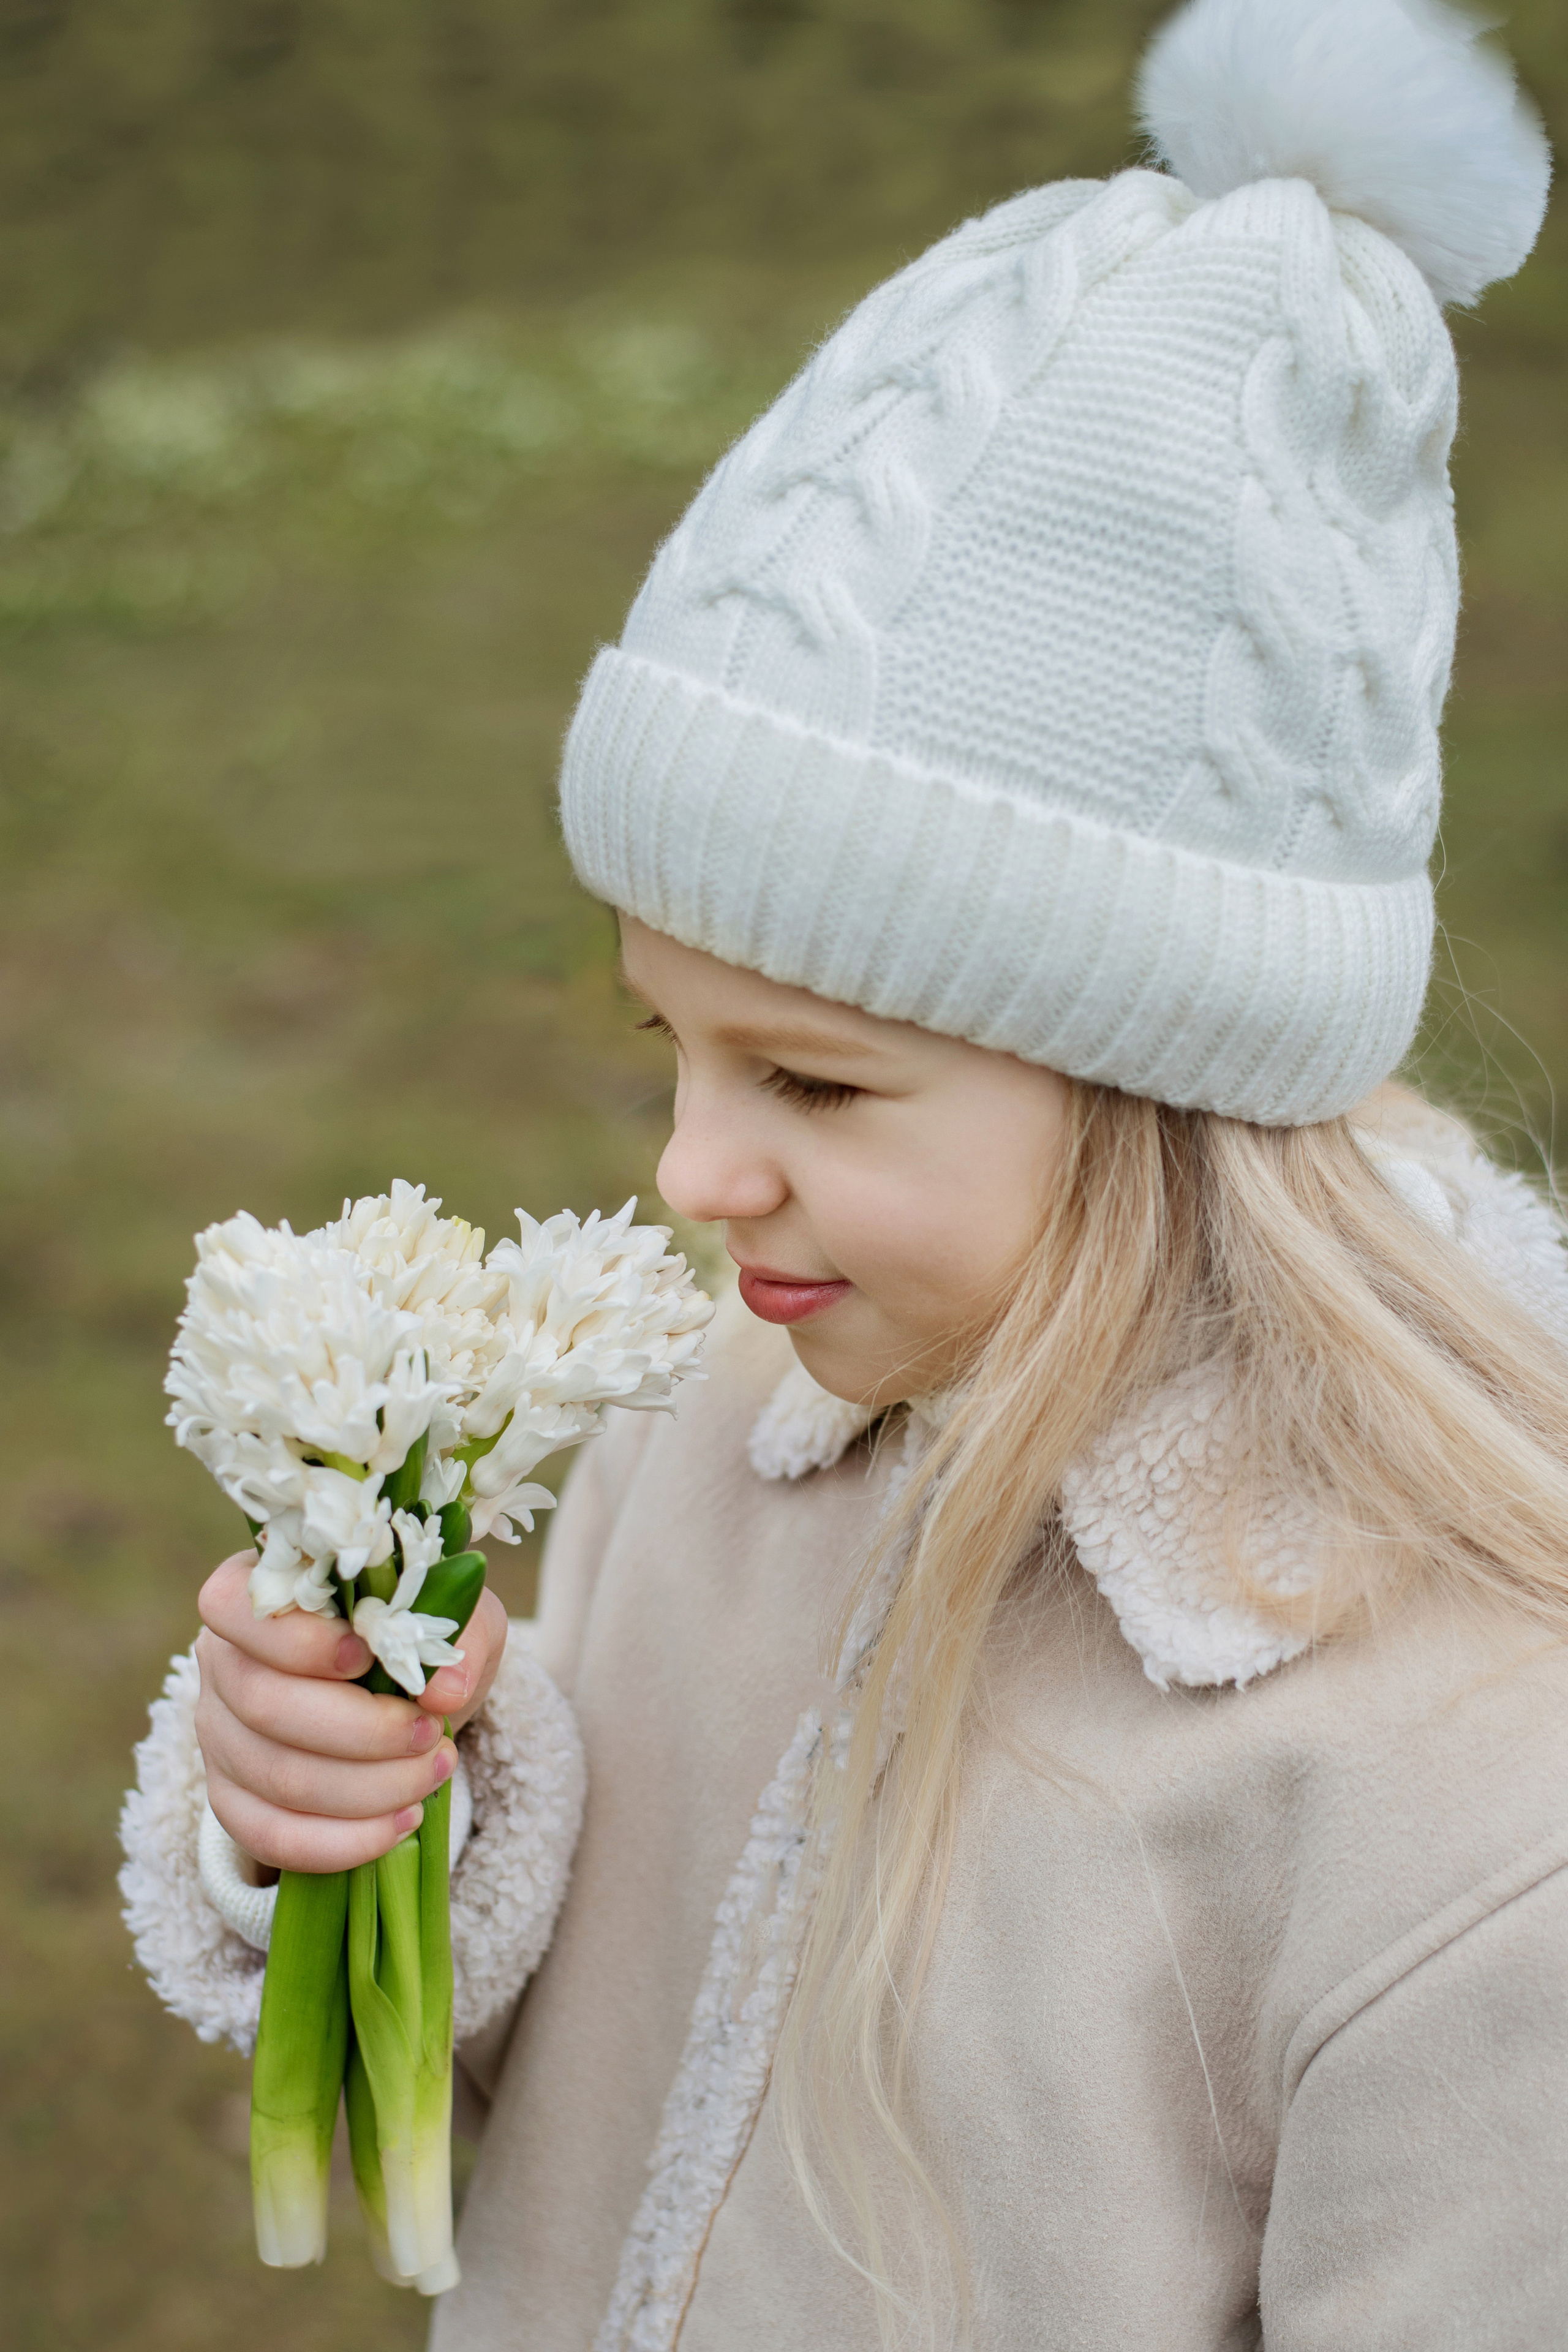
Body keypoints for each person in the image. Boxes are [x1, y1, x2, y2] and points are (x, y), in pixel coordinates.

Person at [120, 0, 1568, 2343]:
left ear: (1157, 1075)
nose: (698, 1170)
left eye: (816, 1084)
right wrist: (382, 1833)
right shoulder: (729, 1444)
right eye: (671, 1045)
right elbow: (564, 2078)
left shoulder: (1470, 1791)